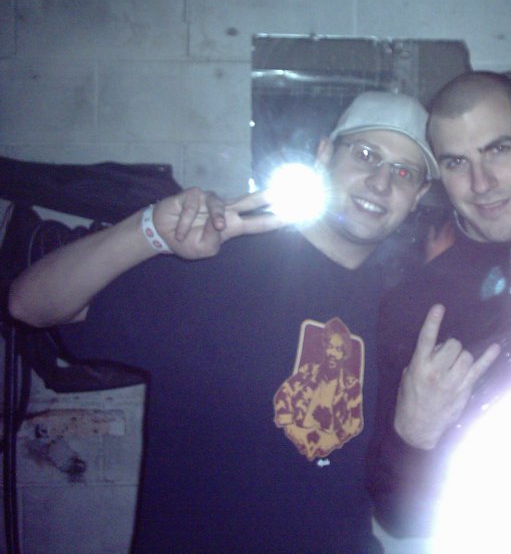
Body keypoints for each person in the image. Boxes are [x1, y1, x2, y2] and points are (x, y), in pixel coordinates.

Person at [9, 90, 437, 552]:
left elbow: (399, 505)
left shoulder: (405, 311)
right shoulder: (222, 263)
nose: (380, 182)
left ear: (418, 196)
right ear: (324, 153)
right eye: (366, 155)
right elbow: (29, 304)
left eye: (403, 172)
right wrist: (148, 231)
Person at [367, 71, 511, 537]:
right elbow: (397, 519)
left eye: (498, 150)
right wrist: (414, 436)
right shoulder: (413, 307)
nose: (480, 183)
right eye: (456, 162)